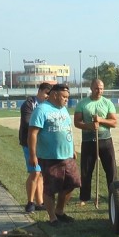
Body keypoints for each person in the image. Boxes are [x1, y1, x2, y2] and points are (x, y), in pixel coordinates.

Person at [27, 83, 81, 226]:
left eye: (68, 97)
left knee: (72, 183)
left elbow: (68, 130)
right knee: (50, 188)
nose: (66, 100)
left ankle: (60, 211)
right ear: (55, 94)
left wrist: (73, 148)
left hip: (67, 155)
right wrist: (32, 155)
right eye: (64, 97)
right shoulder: (41, 110)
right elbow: (32, 133)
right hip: (49, 157)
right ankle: (52, 218)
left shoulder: (63, 109)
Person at [73, 78, 118, 206]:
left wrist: (101, 120)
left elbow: (114, 122)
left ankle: (113, 197)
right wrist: (89, 126)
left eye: (102, 88)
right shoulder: (83, 103)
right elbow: (77, 122)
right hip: (88, 141)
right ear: (91, 88)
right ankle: (84, 198)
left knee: (111, 170)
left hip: (105, 140)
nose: (99, 91)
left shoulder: (107, 103)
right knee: (86, 171)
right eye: (97, 88)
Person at [19, 82, 52, 213]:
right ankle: (30, 203)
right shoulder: (29, 104)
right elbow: (28, 123)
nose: (47, 97)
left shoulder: (48, 105)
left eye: (49, 95)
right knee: (35, 172)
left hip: (42, 143)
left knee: (41, 174)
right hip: (28, 142)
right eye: (46, 94)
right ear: (40, 91)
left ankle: (40, 202)